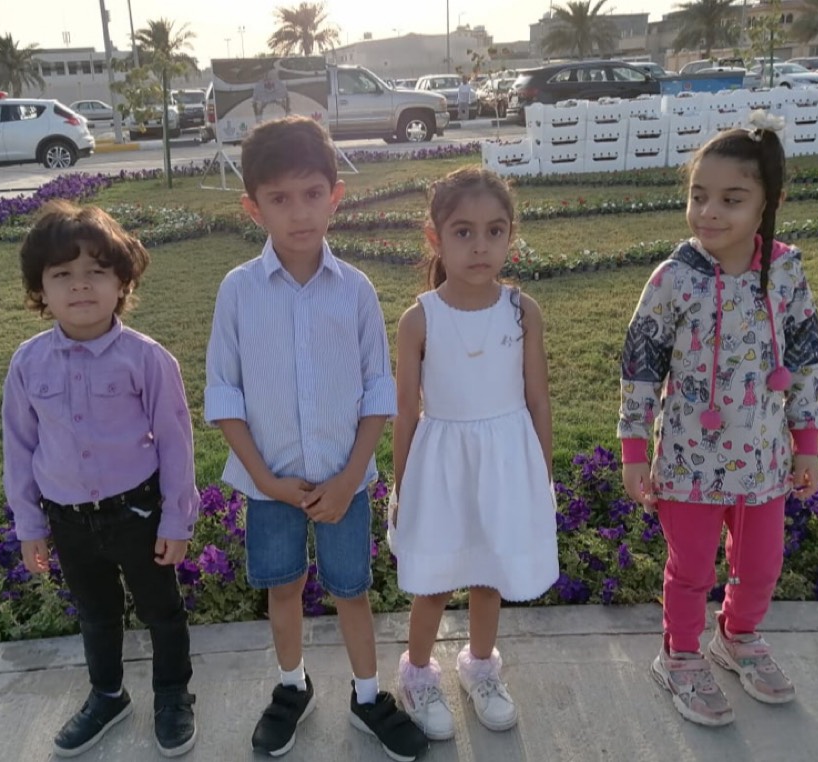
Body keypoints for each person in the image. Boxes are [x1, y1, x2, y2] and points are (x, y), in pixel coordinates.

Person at [204, 116, 428, 761]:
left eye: (311, 194)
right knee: (282, 586)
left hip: (343, 481)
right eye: (279, 198)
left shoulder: (354, 291)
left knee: (351, 589)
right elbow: (223, 394)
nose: (298, 212)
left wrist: (352, 475)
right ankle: (291, 685)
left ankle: (367, 695)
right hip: (270, 482)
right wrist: (265, 479)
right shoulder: (238, 292)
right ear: (253, 207)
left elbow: (378, 391)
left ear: (336, 196)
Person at [618, 112, 818, 727]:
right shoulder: (673, 280)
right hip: (689, 458)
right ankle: (679, 655)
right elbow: (640, 366)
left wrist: (806, 441)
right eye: (698, 195)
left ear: (769, 203)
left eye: (731, 199)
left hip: (764, 459)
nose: (708, 212)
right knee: (690, 568)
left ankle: (737, 636)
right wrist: (634, 450)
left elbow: (805, 359)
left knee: (761, 564)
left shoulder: (785, 273)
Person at [2, 200, 200, 758]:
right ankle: (108, 695)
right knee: (96, 613)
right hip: (68, 519)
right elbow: (19, 447)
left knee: (162, 610)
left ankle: (172, 695)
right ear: (41, 289)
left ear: (122, 283)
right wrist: (30, 526)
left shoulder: (147, 360)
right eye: (62, 274)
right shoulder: (28, 364)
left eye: (96, 271)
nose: (80, 286)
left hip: (137, 513)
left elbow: (176, 443)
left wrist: (177, 519)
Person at [390, 166, 560, 741]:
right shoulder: (419, 319)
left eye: (494, 231)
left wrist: (541, 476)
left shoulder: (522, 311)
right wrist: (402, 487)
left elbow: (538, 399)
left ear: (511, 235)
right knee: (436, 581)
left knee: (489, 575)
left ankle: (480, 667)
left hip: (506, 464)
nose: (480, 246)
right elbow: (405, 412)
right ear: (435, 238)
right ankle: (417, 673)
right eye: (463, 232)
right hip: (442, 468)